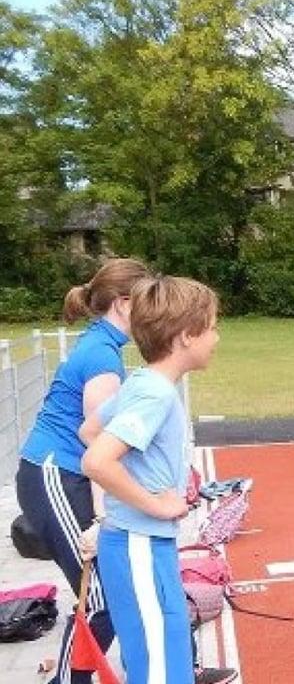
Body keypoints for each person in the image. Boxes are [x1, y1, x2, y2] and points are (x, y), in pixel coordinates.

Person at [80, 275, 232, 684]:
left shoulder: (143, 383)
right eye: (213, 326)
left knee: (162, 662)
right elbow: (97, 459)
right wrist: (157, 502)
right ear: (186, 336)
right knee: (162, 672)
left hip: (140, 545)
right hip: (139, 546)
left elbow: (90, 430)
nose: (217, 337)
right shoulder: (155, 394)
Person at [15, 257, 151, 684]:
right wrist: (102, 517)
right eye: (149, 300)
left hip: (61, 474)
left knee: (105, 592)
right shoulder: (102, 358)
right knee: (100, 597)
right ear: (125, 304)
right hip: (55, 474)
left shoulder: (102, 344)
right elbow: (96, 443)